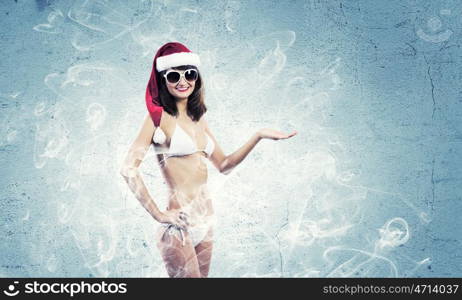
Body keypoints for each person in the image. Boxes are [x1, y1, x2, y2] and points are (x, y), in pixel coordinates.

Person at [120, 42, 297, 278]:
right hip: (178, 226)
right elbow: (128, 168)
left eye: (189, 74)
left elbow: (224, 165)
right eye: (174, 76)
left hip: (206, 222)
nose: (183, 81)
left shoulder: (199, 118)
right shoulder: (157, 118)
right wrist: (158, 214)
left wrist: (258, 136)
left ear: (197, 77)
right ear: (163, 80)